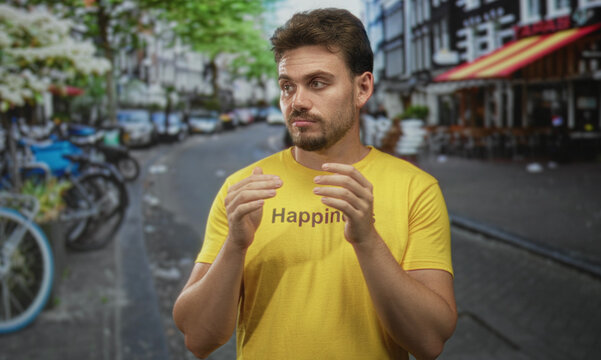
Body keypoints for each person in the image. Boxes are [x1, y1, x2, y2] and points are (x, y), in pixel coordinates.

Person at [173, 8, 456, 360]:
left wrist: (367, 241)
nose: (298, 102)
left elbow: (429, 342)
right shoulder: (243, 188)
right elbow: (198, 339)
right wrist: (234, 246)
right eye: (287, 87)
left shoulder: (417, 189)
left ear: (362, 87)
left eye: (318, 83)